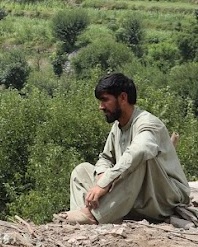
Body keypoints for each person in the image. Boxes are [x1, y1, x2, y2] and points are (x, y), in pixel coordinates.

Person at [61, 72, 191, 225]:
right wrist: (102, 175)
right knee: (81, 171)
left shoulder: (148, 123)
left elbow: (139, 152)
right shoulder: (118, 125)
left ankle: (92, 215)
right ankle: (87, 213)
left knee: (139, 161)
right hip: (135, 197)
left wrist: (105, 183)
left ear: (123, 98)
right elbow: (105, 158)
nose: (100, 107)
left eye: (105, 100)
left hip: (165, 199)